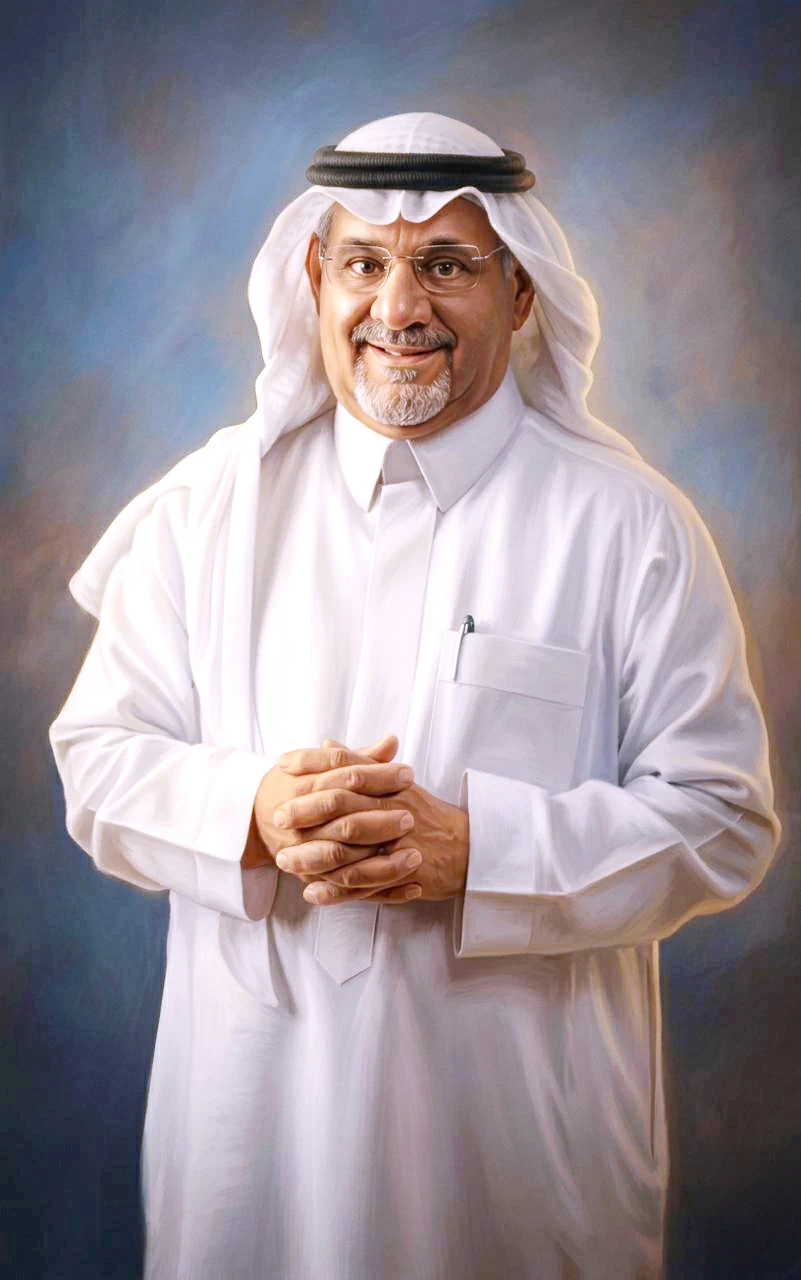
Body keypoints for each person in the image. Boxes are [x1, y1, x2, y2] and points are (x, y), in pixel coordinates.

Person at [49, 112, 780, 1279]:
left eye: (446, 265)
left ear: (521, 291)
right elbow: (97, 757)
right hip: (252, 1139)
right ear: (313, 276)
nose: (398, 307)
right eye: (364, 263)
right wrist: (250, 810)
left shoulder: (629, 526)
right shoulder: (204, 513)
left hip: (520, 1154)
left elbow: (725, 816)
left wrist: (482, 850)